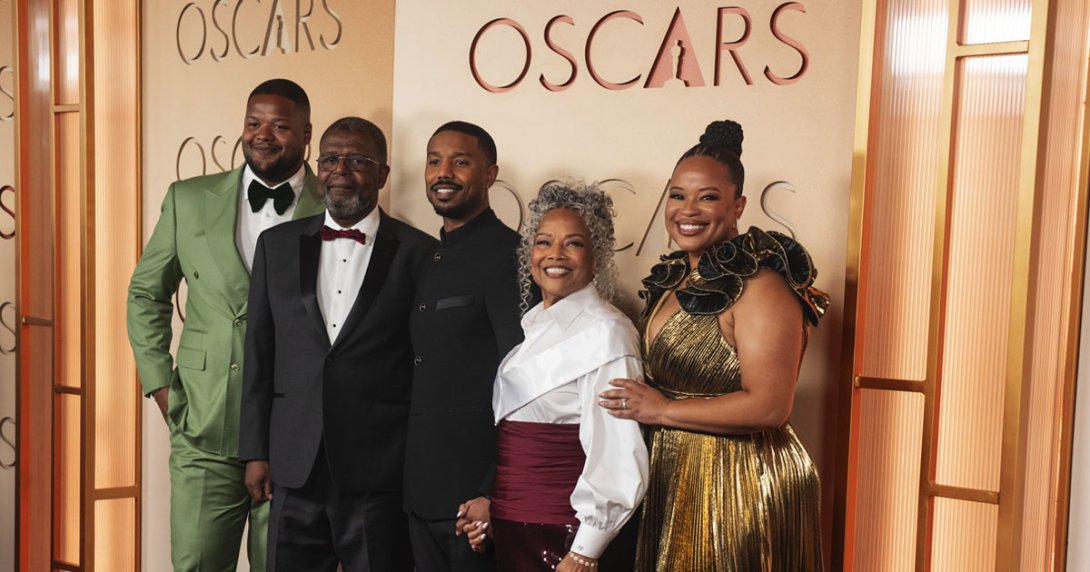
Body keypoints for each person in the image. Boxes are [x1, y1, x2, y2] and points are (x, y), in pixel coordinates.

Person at [600, 120, 829, 571]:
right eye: (678, 195)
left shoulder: (761, 285)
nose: (689, 209)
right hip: (675, 470)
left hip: (740, 480)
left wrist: (661, 411)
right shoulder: (675, 277)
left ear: (738, 204)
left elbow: (769, 406)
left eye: (707, 197)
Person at [127, 78, 324, 571]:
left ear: (306, 134)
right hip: (203, 425)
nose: (263, 135)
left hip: (292, 438)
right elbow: (145, 293)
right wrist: (161, 387)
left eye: (280, 126)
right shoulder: (188, 199)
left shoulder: (335, 208)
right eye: (253, 123)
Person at [238, 117, 436, 571]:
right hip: (292, 460)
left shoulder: (420, 254)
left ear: (383, 174)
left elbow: (425, 365)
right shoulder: (276, 246)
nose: (341, 169)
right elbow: (259, 353)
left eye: (358, 160)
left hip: (378, 465)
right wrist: (256, 451)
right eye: (330, 159)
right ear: (317, 166)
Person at [482, 182, 648, 571]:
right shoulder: (534, 328)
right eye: (543, 242)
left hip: (565, 535)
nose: (554, 255)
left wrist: (584, 551)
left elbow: (618, 453)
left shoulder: (607, 332)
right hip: (514, 526)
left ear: (597, 258)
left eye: (572, 243)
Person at [404, 121, 524, 571]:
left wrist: (495, 491)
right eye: (434, 161)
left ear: (490, 174)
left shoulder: (510, 256)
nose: (443, 172)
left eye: (460, 161)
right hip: (418, 494)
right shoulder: (424, 258)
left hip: (473, 501)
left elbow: (521, 382)